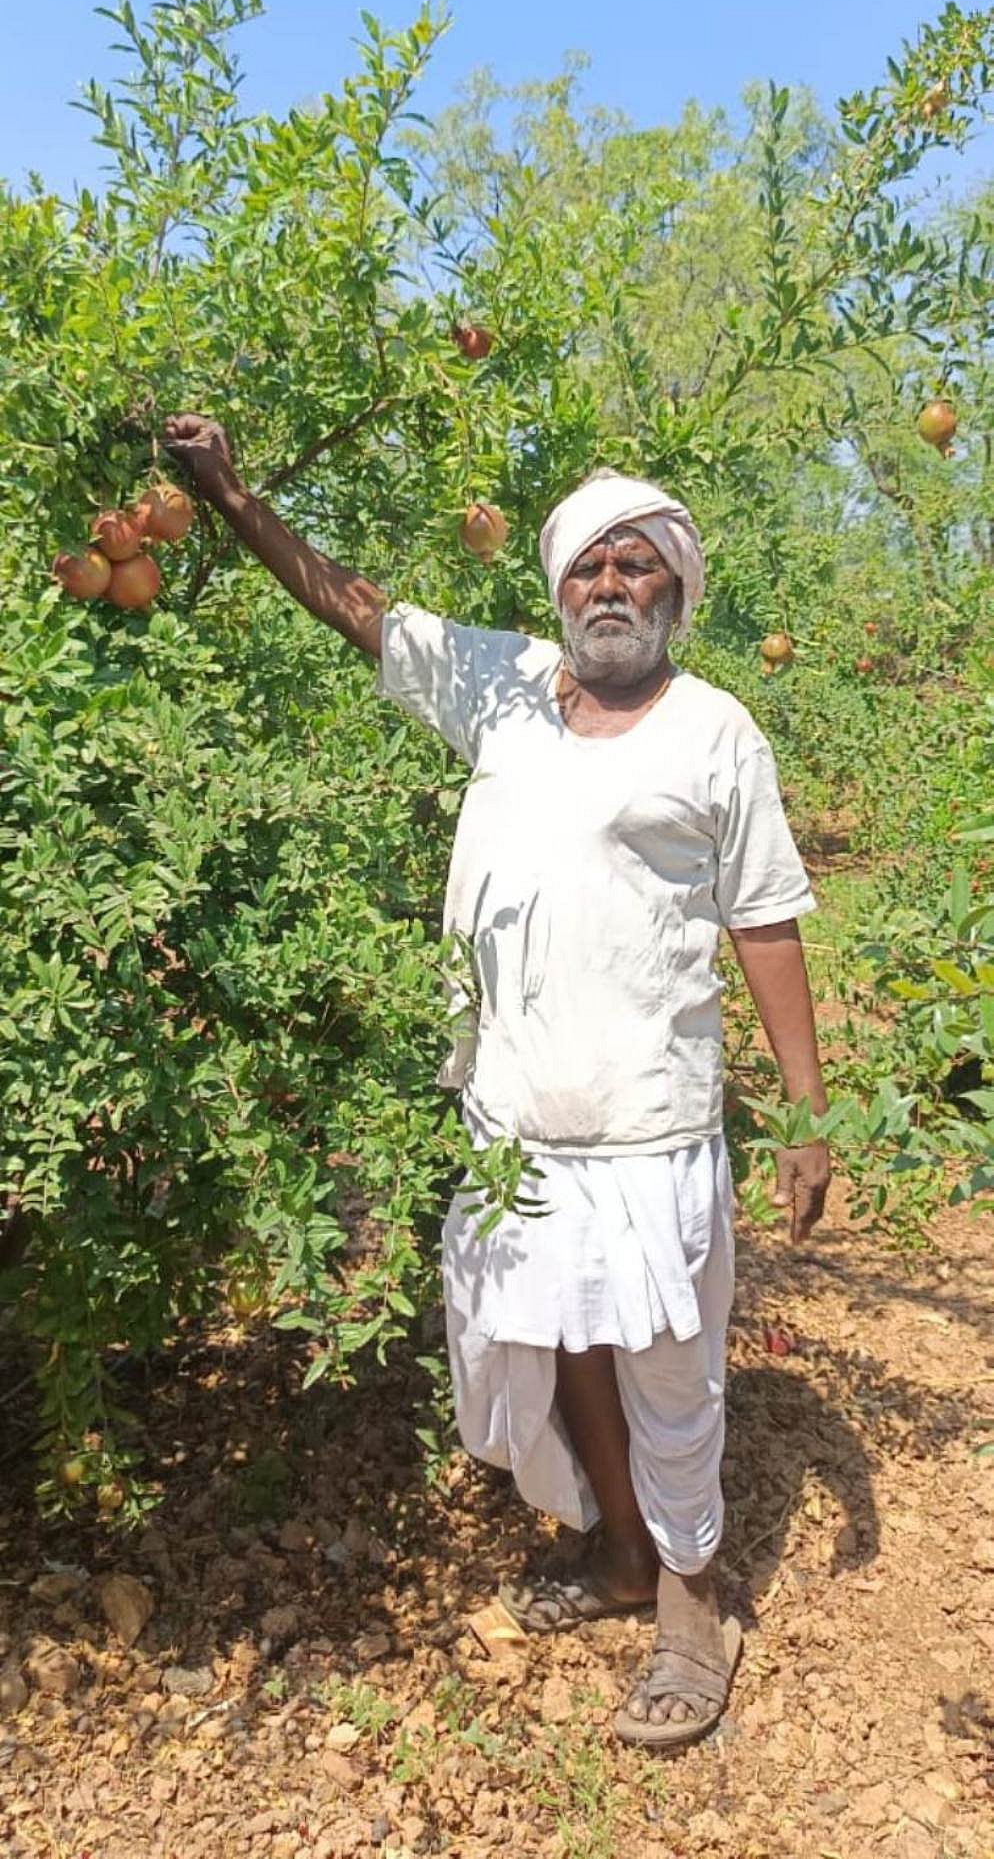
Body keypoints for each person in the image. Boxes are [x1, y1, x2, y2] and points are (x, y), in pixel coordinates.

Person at [164, 418, 831, 1752]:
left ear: (675, 592)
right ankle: (626, 1552)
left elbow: (764, 920)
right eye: (586, 566)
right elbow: (356, 607)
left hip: (645, 1125)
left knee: (669, 1370)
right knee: (564, 1336)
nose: (608, 586)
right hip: (515, 1121)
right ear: (556, 590)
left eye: (635, 566)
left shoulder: (714, 729)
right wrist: (231, 490)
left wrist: (809, 1111)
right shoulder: (504, 689)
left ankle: (694, 1611)